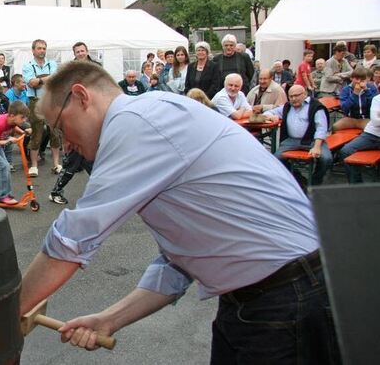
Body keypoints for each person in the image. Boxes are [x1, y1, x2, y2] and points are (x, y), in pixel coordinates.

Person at [18, 61, 340, 364]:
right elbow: (176, 263)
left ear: (81, 96)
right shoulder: (150, 116)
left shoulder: (134, 122)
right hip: (259, 299)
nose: (65, 144)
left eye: (60, 127)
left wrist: (3, 315)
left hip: (287, 298)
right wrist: (109, 320)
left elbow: (72, 239)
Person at [264, 85, 331, 186]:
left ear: (304, 94)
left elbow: (321, 128)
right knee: (276, 160)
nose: (293, 99)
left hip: (312, 140)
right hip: (291, 141)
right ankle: (300, 180)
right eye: (291, 96)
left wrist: (317, 147)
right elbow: (267, 112)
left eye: (296, 95)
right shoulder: (287, 107)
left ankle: (315, 182)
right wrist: (272, 116)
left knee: (326, 159)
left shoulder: (315, 107)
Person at [22, 39, 61, 177]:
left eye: (44, 48)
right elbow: (31, 83)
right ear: (33, 50)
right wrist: (48, 78)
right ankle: (34, 166)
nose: (42, 51)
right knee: (37, 133)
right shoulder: (28, 66)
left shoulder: (52, 63)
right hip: (36, 101)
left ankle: (56, 164)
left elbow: (56, 81)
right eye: (39, 48)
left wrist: (40, 80)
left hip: (51, 101)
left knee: (54, 132)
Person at [339, 94, 380, 183]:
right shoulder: (377, 99)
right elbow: (375, 121)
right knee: (346, 151)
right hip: (371, 135)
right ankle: (356, 184)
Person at [333, 66, 378, 131]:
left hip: (365, 118)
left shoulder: (371, 88)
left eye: (362, 80)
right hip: (350, 118)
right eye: (357, 79)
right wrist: (354, 94)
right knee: (335, 127)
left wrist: (366, 91)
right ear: (352, 78)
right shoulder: (346, 90)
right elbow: (344, 108)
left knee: (371, 130)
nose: (359, 81)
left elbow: (375, 105)